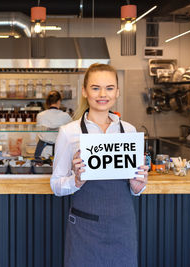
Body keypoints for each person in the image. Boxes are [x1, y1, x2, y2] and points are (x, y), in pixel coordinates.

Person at [50, 63, 149, 266]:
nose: (102, 94)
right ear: (85, 91)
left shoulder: (129, 132)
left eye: (109, 88)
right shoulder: (69, 132)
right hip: (85, 227)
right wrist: (76, 180)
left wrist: (138, 187)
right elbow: (56, 185)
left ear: (117, 92)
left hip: (123, 225)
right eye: (95, 88)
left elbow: (136, 183)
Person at [34, 90, 72, 158]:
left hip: (43, 149)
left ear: (48, 102)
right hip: (60, 148)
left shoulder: (40, 115)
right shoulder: (66, 116)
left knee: (41, 168)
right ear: (58, 101)